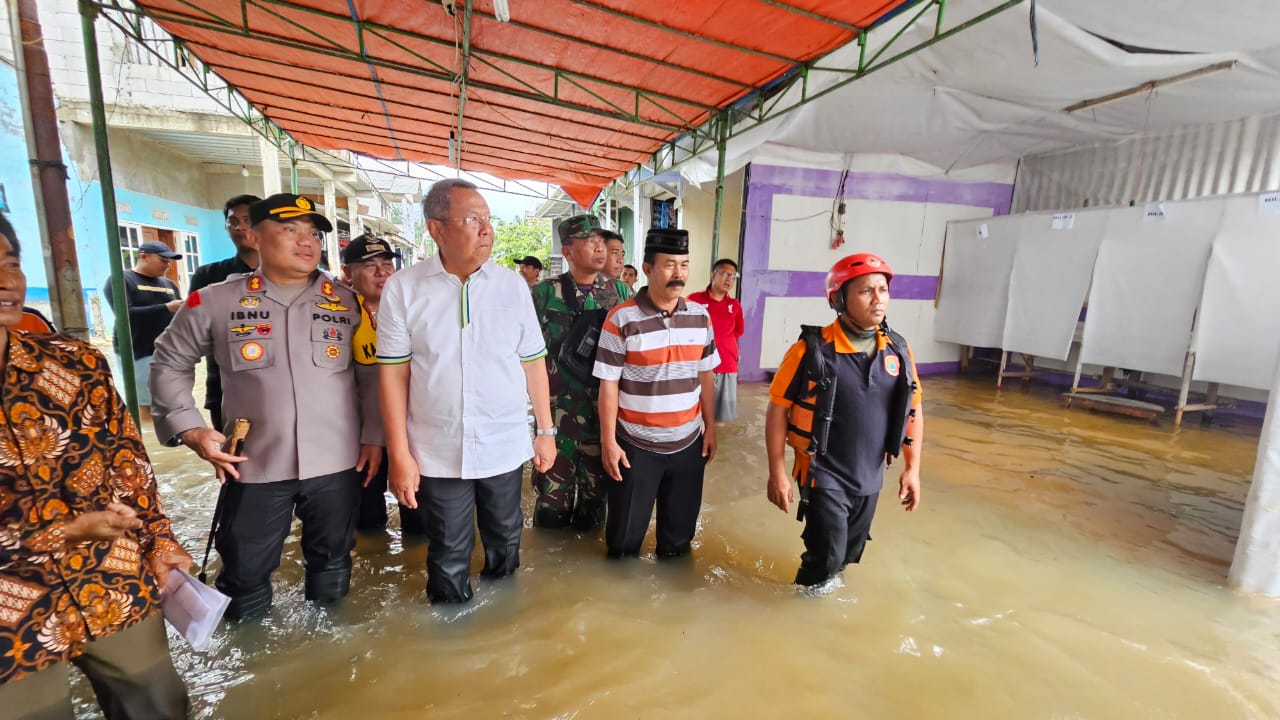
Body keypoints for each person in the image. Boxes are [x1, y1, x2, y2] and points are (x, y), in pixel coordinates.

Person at [150, 193, 382, 621]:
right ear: (254, 236)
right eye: (289, 230)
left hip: (336, 461)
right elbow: (170, 360)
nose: (306, 242)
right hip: (254, 463)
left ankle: (328, 654)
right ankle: (250, 658)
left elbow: (369, 376)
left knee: (333, 561)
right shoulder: (215, 301)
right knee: (244, 571)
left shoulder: (346, 303)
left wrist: (373, 438)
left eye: (313, 233)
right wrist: (191, 428)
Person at [0, 212, 192, 718]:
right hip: (8, 611)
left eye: (11, 262)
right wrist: (60, 532)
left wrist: (159, 540)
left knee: (158, 701)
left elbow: (128, 464)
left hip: (108, 574)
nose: (7, 281)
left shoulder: (74, 363)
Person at [379, 178, 555, 604]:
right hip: (437, 449)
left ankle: (503, 620)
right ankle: (450, 638)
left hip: (504, 441)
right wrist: (399, 455)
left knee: (506, 538)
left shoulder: (512, 286)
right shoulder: (404, 288)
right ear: (436, 228)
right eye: (473, 219)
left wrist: (546, 432)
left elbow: (533, 361)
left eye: (488, 220)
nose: (486, 230)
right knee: (448, 551)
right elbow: (392, 377)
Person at [764, 253, 924, 587]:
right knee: (827, 556)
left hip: (869, 475)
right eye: (866, 290)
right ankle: (800, 614)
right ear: (839, 298)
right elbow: (778, 409)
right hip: (822, 472)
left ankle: (821, 601)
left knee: (847, 557)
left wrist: (912, 469)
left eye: (882, 289)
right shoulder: (812, 351)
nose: (878, 298)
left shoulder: (898, 350)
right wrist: (777, 472)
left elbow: (914, 409)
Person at [594, 228, 718, 559]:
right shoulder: (621, 318)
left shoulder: (701, 317)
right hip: (635, 448)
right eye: (669, 265)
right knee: (622, 544)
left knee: (678, 545)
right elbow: (608, 384)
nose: (679, 274)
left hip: (688, 445)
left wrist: (711, 429)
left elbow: (706, 375)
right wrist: (609, 442)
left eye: (684, 265)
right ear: (647, 269)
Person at [530, 214, 631, 530]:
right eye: (589, 241)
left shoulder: (620, 294)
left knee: (594, 508)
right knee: (550, 507)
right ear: (568, 251)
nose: (600, 248)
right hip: (556, 419)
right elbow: (524, 354)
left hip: (602, 420)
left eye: (602, 241)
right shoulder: (544, 294)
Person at [340, 234, 426, 538]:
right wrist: (371, 436)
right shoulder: (339, 315)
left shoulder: (416, 309)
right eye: (369, 266)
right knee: (366, 520)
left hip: (412, 431)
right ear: (347, 273)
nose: (382, 272)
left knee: (420, 521)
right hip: (360, 437)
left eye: (387, 263)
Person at [189, 194, 262, 431]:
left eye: (248, 219)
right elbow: (191, 334)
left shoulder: (291, 275)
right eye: (233, 222)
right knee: (232, 462)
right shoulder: (208, 276)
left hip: (284, 393)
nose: (240, 227)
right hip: (225, 390)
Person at [102, 240, 183, 409]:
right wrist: (166, 307)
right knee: (145, 404)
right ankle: (146, 433)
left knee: (170, 402)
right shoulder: (121, 279)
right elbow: (125, 315)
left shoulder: (169, 284)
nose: (167, 265)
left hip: (167, 351)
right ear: (144, 256)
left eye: (169, 262)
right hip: (137, 351)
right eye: (163, 260)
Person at [687, 259, 745, 422]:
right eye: (725, 274)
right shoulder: (694, 300)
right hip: (700, 363)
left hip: (727, 363)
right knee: (696, 413)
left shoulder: (734, 305)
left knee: (722, 417)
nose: (729, 280)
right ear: (713, 274)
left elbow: (739, 330)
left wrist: (723, 344)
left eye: (733, 276)